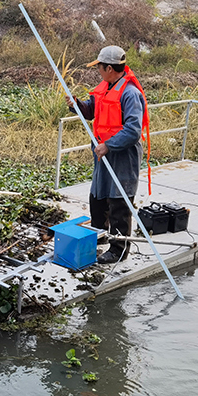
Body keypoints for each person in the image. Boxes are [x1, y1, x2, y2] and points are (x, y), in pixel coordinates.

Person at [65, 45, 150, 264]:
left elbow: (132, 130)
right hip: (103, 153)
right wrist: (77, 105)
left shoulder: (130, 94)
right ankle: (101, 235)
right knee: (98, 196)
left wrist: (108, 145)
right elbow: (91, 110)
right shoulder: (104, 87)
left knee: (119, 199)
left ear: (110, 68)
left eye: (100, 67)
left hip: (122, 154)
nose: (98, 71)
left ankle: (119, 249)